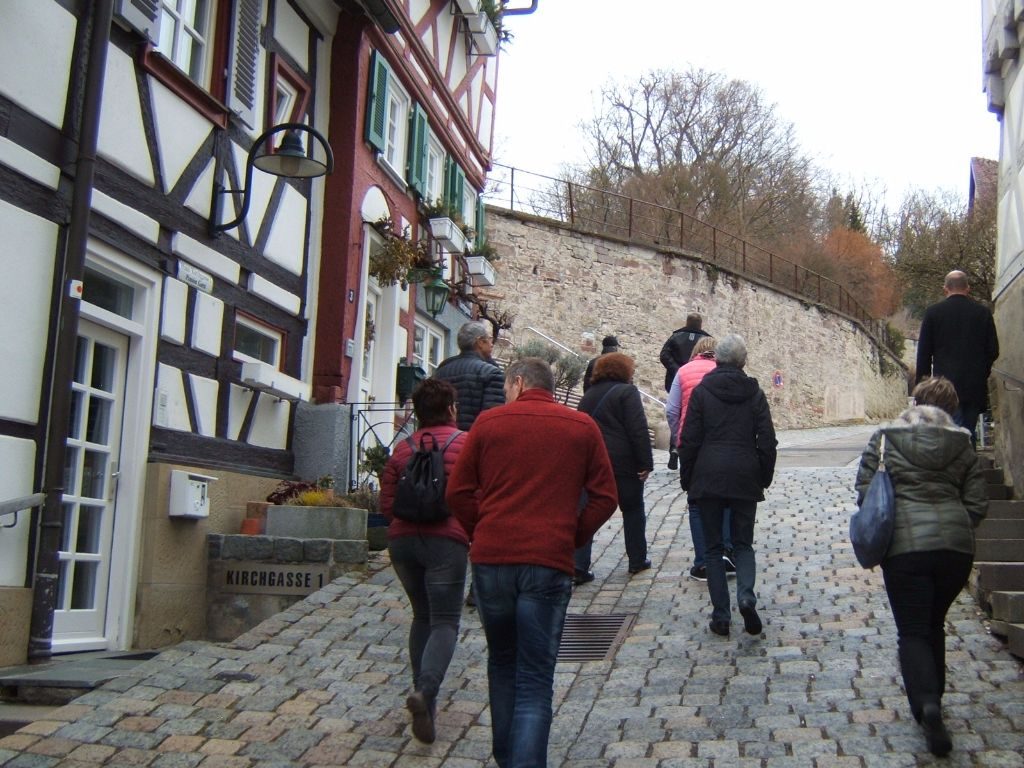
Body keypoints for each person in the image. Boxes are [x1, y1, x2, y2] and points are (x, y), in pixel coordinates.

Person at [446, 357, 618, 768]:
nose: (505, 395)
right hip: (548, 560)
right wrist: (572, 536)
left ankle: (508, 758)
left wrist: (481, 529)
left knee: (502, 660)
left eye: (506, 388)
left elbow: (457, 492)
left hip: (493, 560)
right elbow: (606, 496)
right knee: (535, 678)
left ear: (519, 383)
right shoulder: (580, 427)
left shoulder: (488, 424)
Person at [854, 376, 987, 757]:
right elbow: (977, 502)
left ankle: (927, 704)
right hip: (955, 552)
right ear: (952, 409)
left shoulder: (885, 438)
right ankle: (935, 701)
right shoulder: (963, 444)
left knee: (912, 630)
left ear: (915, 402)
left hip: (905, 551)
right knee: (934, 624)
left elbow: (865, 491)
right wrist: (958, 526)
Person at [379, 379, 473, 744]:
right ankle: (426, 691)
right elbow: (475, 496)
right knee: (445, 621)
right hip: (446, 542)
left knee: (421, 617)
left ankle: (426, 707)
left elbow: (387, 504)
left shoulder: (402, 449)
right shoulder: (465, 444)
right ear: (450, 409)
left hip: (403, 543)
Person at [678, 333, 777, 638]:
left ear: (718, 359)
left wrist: (688, 478)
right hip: (745, 473)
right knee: (743, 544)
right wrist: (763, 476)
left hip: (708, 474)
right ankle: (746, 596)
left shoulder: (702, 392)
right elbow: (767, 440)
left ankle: (721, 615)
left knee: (712, 548)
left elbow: (689, 439)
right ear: (743, 361)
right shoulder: (754, 393)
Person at [574, 353, 654, 583]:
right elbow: (637, 428)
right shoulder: (627, 392)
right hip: (622, 462)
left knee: (586, 511)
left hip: (592, 462)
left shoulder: (588, 396)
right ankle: (637, 559)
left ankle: (578, 565)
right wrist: (645, 462)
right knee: (633, 509)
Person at [666, 337, 735, 581]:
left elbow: (671, 410)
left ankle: (703, 561)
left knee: (696, 502)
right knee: (725, 498)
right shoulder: (725, 372)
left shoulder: (683, 371)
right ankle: (726, 553)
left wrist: (678, 438)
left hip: (692, 444)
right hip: (722, 442)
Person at [915, 270, 999, 446]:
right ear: (968, 288)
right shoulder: (982, 313)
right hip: (974, 385)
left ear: (945, 289)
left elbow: (924, 355)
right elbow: (993, 350)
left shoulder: (933, 313)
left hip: (944, 388)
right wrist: (981, 372)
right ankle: (968, 460)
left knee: (949, 432)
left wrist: (921, 388)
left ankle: (954, 462)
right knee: (969, 432)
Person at [433, 320, 506, 431]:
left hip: (441, 438)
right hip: (472, 439)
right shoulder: (491, 373)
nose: (491, 344)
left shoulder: (441, 371)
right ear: (480, 342)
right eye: (489, 339)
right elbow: (492, 420)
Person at [659, 312, 710, 393]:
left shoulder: (676, 337)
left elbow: (664, 355)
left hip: (675, 379)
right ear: (700, 325)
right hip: (697, 381)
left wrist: (677, 369)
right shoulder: (707, 341)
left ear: (687, 323)